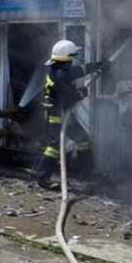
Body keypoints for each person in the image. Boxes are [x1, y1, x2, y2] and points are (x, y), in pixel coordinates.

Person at [34, 40, 107, 189]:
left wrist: (99, 65)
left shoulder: (61, 69)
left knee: (83, 139)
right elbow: (69, 96)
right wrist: (82, 93)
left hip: (64, 113)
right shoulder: (60, 74)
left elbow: (80, 70)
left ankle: (87, 173)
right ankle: (42, 178)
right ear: (66, 57)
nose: (74, 58)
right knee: (54, 147)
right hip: (57, 115)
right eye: (73, 55)